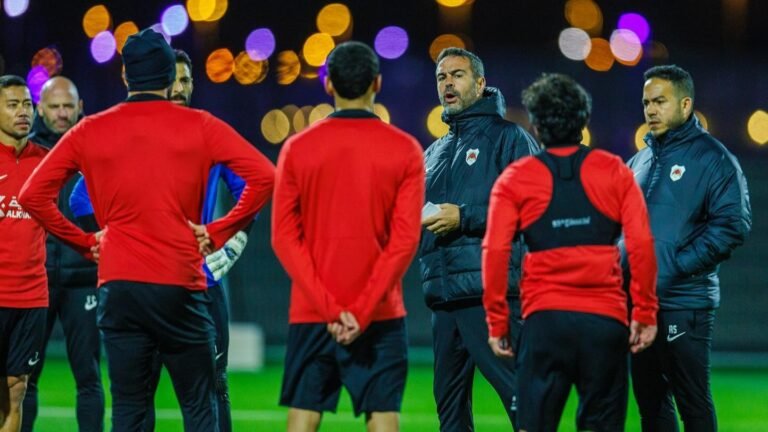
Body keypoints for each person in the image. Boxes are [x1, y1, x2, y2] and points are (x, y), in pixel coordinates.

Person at [18, 28, 275, 431]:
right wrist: (220, 231)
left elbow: (33, 196)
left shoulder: (91, 130)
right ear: (169, 78)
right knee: (199, 405)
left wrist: (86, 244)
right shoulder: (201, 125)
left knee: (130, 408)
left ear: (125, 76)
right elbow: (264, 176)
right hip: (181, 284)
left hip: (119, 286)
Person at [68, 49, 250, 432]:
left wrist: (233, 240)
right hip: (162, 284)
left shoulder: (205, 133)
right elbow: (79, 198)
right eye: (175, 80)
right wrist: (107, 240)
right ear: (161, 82)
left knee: (213, 387)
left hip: (201, 282)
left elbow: (250, 187)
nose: (180, 88)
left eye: (187, 81)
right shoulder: (141, 136)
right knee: (147, 395)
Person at [482, 73, 659, 431]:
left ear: (535, 122)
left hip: (545, 324)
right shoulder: (614, 171)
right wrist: (644, 311)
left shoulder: (516, 178)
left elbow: (495, 251)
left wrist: (498, 322)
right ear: (583, 118)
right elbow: (640, 245)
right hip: (605, 324)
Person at [272, 41, 424, 432]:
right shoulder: (406, 150)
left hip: (312, 312)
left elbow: (283, 238)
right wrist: (361, 309)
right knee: (383, 414)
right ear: (377, 82)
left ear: (328, 85)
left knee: (304, 413)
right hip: (380, 313)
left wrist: (327, 306)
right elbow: (404, 240)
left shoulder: (296, 148)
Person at [418, 47, 538, 430]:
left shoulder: (509, 138)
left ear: (480, 83)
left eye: (457, 74)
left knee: (522, 399)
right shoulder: (433, 153)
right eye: (441, 77)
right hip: (444, 299)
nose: (448, 83)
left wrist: (465, 217)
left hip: (492, 295)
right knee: (449, 412)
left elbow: (534, 206)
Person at [626, 65, 751, 431]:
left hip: (685, 303)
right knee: (651, 405)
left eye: (660, 102)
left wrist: (675, 265)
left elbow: (733, 225)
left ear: (685, 104)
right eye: (647, 102)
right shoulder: (640, 161)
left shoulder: (713, 158)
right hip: (639, 305)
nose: (650, 110)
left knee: (692, 403)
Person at [21, 76, 104, 432]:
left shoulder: (97, 149)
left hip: (83, 278)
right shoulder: (24, 150)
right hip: (35, 279)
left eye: (67, 106)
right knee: (23, 376)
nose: (60, 113)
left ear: (80, 107)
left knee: (88, 375)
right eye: (53, 106)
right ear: (40, 108)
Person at [0, 75, 48, 432]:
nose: (22, 112)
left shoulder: (47, 163)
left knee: (17, 389)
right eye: (13, 104)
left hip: (32, 297)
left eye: (27, 105)